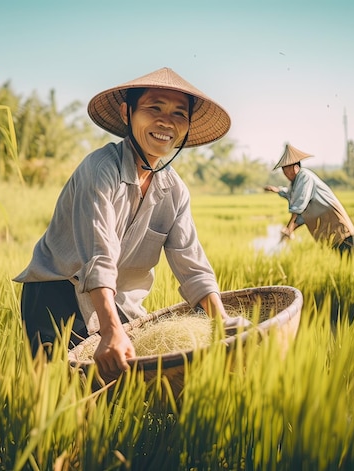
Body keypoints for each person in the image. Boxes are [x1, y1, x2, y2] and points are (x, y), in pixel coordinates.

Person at [14, 67, 246, 378]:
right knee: (60, 390)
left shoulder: (174, 191)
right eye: (154, 108)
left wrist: (221, 322)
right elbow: (99, 255)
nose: (166, 121)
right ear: (127, 112)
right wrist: (111, 331)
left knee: (121, 390)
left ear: (187, 126)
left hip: (117, 300)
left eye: (179, 113)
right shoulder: (100, 170)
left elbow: (192, 263)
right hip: (57, 294)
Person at [264, 143, 354, 255]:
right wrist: (291, 228)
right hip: (324, 227)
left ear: (296, 167)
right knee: (337, 261)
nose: (285, 173)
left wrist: (289, 227)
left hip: (334, 222)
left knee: (347, 260)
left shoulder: (304, 177)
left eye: (288, 169)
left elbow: (298, 205)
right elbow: (293, 198)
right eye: (283, 170)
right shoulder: (295, 184)